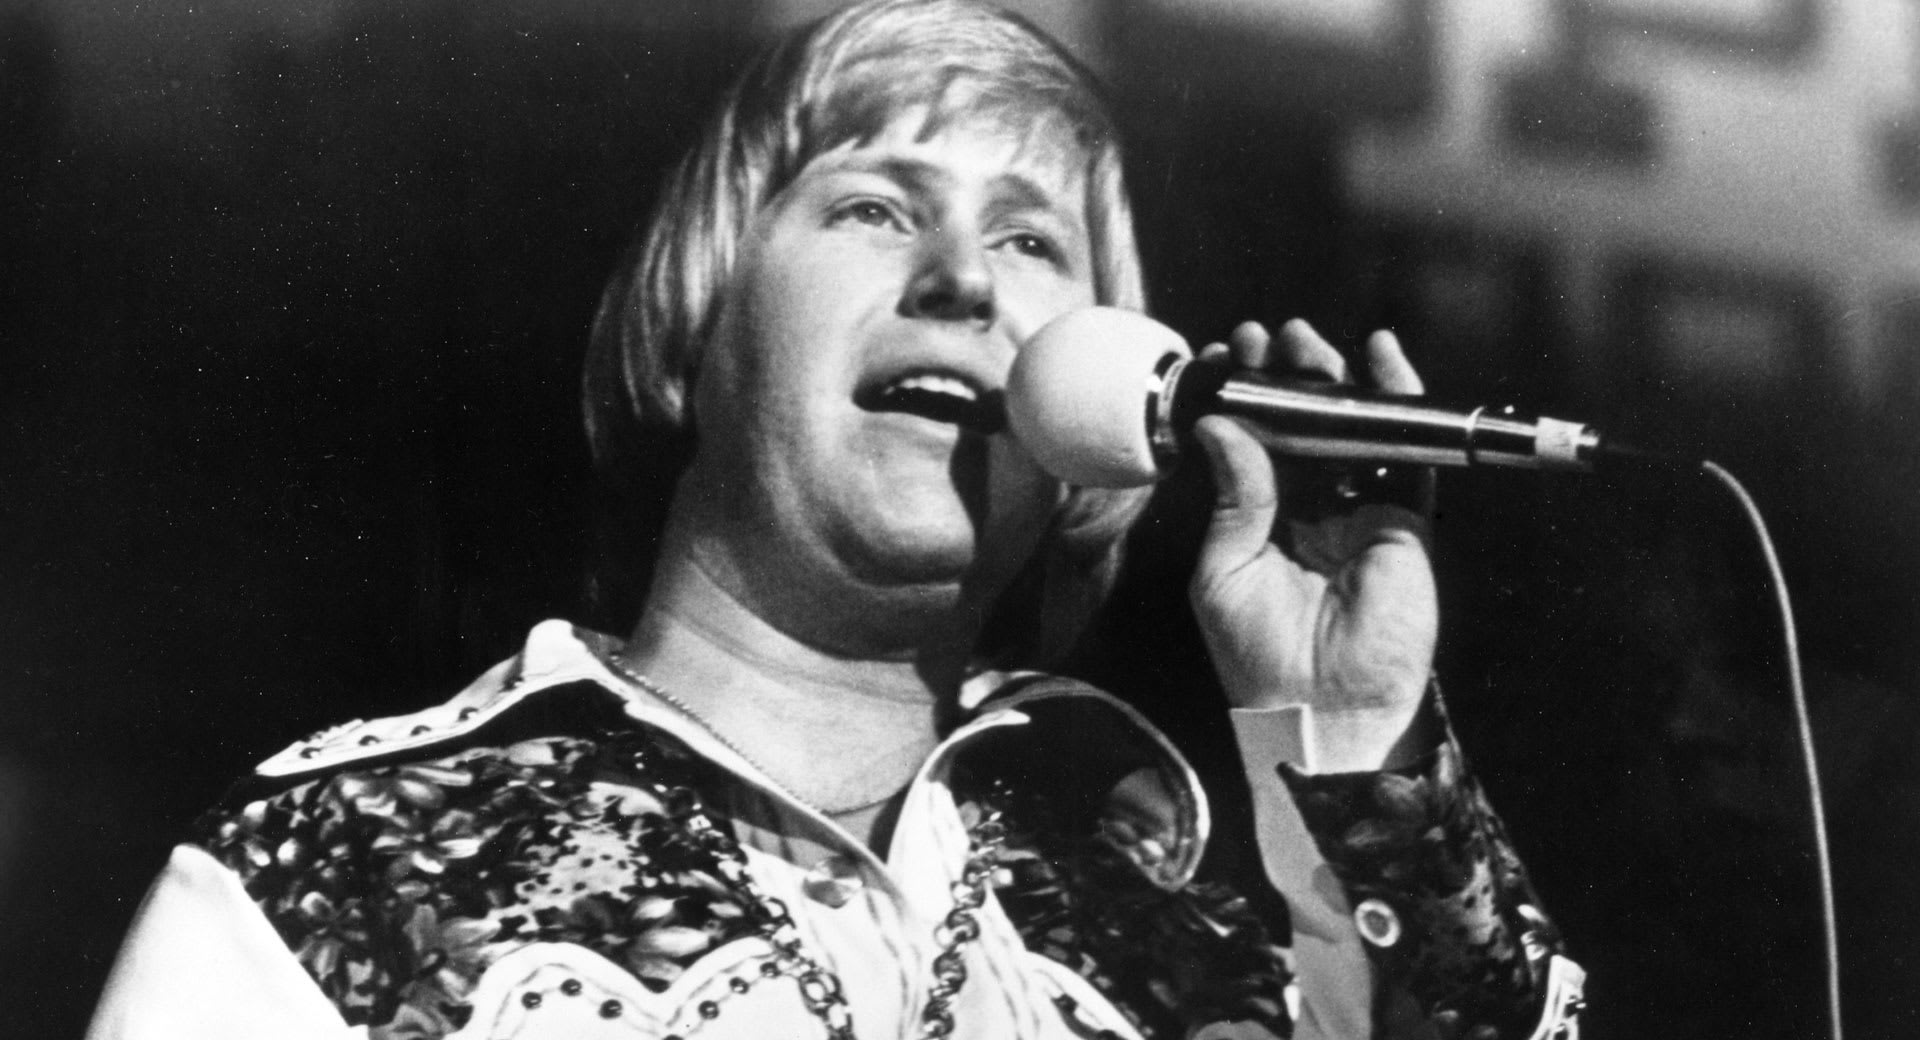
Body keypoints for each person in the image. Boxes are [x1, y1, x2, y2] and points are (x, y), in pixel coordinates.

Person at [86, 2, 1584, 1038]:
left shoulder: (1195, 948)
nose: (963, 282)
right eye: (875, 208)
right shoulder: (334, 871)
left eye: (1030, 240)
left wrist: (1356, 746)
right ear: (696, 322)